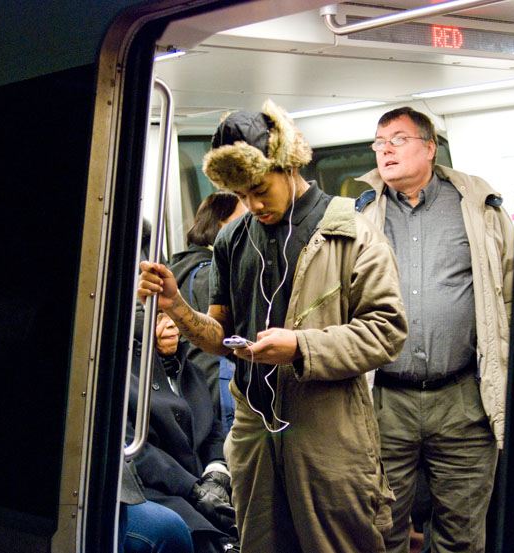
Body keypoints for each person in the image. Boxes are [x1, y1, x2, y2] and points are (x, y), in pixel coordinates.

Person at [137, 99, 408, 553]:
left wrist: (301, 346)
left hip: (327, 431)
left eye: (261, 188)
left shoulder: (351, 232)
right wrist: (178, 306)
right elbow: (221, 338)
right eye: (241, 195)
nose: (253, 203)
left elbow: (386, 331)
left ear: (289, 164)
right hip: (254, 433)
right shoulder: (232, 238)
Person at [354, 106, 514, 553]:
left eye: (397, 139)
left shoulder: (478, 208)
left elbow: (509, 292)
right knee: (380, 529)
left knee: (462, 534)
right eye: (378, 142)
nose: (384, 149)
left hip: (463, 399)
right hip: (384, 400)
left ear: (429, 147)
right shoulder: (360, 214)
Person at [127, 312, 238, 553]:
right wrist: (193, 489)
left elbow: (213, 432)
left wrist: (216, 474)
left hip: (202, 490)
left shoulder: (193, 372)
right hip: (151, 490)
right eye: (158, 318)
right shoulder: (121, 374)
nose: (171, 327)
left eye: (173, 317)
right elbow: (134, 450)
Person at [168, 193, 246, 435]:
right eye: (243, 221)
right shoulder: (213, 273)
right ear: (222, 226)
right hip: (220, 384)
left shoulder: (179, 268)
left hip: (190, 384)